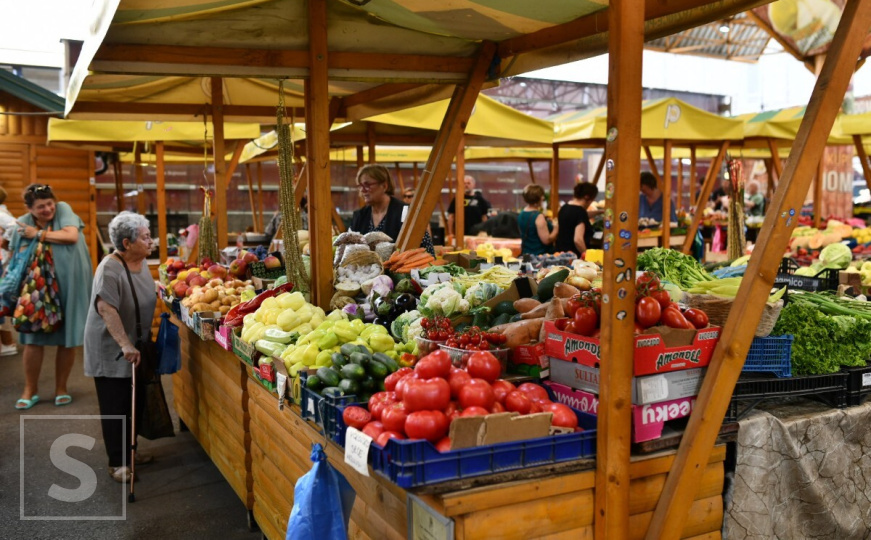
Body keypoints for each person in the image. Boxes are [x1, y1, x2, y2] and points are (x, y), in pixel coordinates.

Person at [84, 212, 156, 483]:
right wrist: (125, 344)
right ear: (127, 243)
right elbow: (105, 307)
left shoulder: (141, 261)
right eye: (145, 237)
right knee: (116, 404)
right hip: (111, 346)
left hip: (135, 344)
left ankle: (130, 452)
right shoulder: (110, 268)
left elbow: (142, 290)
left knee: (133, 402)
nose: (151, 241)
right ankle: (118, 463)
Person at [9, 184, 92, 410]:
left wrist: (37, 234)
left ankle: (61, 388)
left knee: (67, 338)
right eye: (40, 207)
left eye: (49, 203)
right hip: (36, 290)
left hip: (70, 285)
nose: (47, 209)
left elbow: (71, 236)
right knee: (33, 340)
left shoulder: (63, 209)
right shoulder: (22, 222)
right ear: (30, 208)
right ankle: (30, 389)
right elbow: (13, 253)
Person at [350, 164, 434, 255]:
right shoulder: (359, 216)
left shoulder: (405, 211)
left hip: (401, 267)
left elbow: (426, 249)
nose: (362, 190)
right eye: (360, 186)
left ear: (384, 186)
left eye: (367, 185)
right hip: (364, 269)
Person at [555, 182, 599, 256]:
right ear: (587, 197)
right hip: (573, 256)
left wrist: (600, 212)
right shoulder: (580, 212)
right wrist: (587, 257)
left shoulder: (564, 208)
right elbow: (578, 240)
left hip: (560, 254)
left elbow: (577, 216)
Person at [0, 186, 17, 356]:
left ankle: (7, 343)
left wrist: (3, 243)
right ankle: (6, 343)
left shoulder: (1, 214)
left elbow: (13, 227)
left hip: (2, 262)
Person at [518, 184, 557, 256]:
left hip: (526, 254)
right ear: (537, 198)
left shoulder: (522, 213)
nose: (543, 198)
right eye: (542, 195)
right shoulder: (538, 216)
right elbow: (546, 240)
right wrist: (556, 228)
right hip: (539, 256)